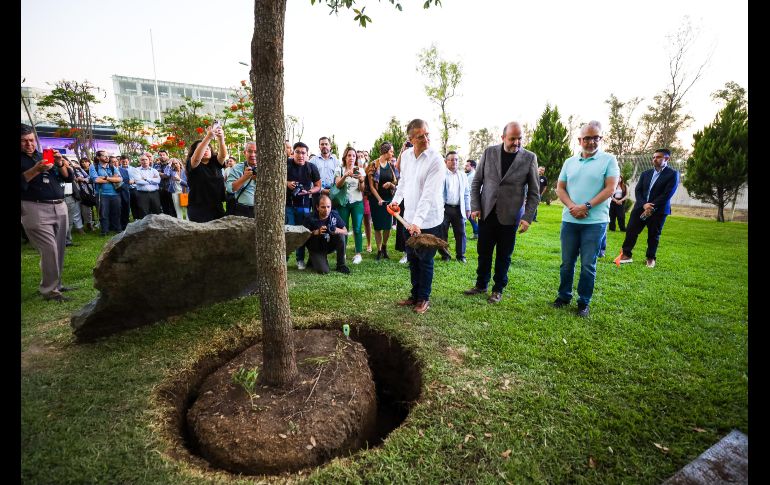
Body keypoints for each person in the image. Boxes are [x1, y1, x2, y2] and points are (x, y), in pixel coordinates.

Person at [463, 122, 540, 304]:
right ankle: (481, 284)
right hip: (487, 213)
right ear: (503, 137)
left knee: (504, 255)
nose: (517, 142)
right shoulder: (489, 152)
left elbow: (534, 192)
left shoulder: (530, 158)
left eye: (520, 138)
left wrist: (527, 217)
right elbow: (476, 183)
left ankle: (498, 289)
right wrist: (475, 206)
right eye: (512, 138)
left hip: (511, 215)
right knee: (484, 252)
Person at [552, 121, 619, 318]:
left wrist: (586, 206)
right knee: (566, 263)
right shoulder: (569, 162)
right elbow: (560, 188)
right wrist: (573, 206)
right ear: (580, 140)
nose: (591, 142)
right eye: (587, 138)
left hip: (595, 222)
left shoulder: (609, 160)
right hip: (570, 220)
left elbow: (610, 189)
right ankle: (563, 296)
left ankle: (583, 302)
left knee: (588, 264)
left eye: (595, 137)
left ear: (601, 138)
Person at [389, 119, 445, 314]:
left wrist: (418, 223)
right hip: (409, 218)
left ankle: (424, 298)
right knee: (412, 258)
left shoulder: (436, 160)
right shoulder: (405, 156)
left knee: (425, 260)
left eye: (427, 134)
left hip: (429, 220)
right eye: (421, 136)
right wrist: (396, 201)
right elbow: (404, 182)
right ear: (411, 138)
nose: (426, 139)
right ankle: (414, 295)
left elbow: (428, 196)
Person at [20, 124, 75, 302]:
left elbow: (67, 178)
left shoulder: (41, 155)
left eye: (31, 140)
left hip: (59, 205)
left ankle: (56, 284)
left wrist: (59, 164)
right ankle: (49, 290)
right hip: (34, 207)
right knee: (49, 248)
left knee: (59, 247)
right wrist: (36, 169)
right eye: (24, 141)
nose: (29, 144)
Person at [616, 149, 679, 268]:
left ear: (666, 159)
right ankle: (626, 255)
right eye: (654, 157)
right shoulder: (646, 173)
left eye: (658, 157)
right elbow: (638, 190)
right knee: (631, 230)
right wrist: (644, 204)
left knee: (653, 234)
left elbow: (667, 194)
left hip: (658, 210)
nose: (655, 159)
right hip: (640, 207)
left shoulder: (672, 174)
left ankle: (650, 258)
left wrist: (651, 206)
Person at [286, 141, 322, 269]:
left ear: (307, 155)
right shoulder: (286, 164)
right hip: (287, 204)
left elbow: (318, 185)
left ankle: (300, 259)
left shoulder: (311, 167)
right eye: (298, 152)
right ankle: (284, 259)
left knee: (301, 232)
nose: (300, 155)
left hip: (304, 204)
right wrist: (287, 183)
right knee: (288, 231)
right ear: (293, 153)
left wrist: (310, 191)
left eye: (303, 153)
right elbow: (277, 178)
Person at [186, 124, 228, 222]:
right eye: (202, 148)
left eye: (208, 148)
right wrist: (208, 137)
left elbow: (222, 156)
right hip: (198, 208)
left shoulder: (215, 162)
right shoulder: (192, 164)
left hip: (217, 206)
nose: (206, 150)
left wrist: (221, 138)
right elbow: (196, 159)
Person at [302, 194, 350, 274]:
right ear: (317, 207)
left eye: (328, 207)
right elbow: (302, 236)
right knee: (324, 271)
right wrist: (315, 232)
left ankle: (341, 265)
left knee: (341, 235)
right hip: (316, 247)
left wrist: (336, 230)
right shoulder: (309, 217)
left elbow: (345, 231)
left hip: (329, 245)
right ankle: (313, 259)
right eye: (323, 207)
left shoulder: (334, 215)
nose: (326, 210)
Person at [333, 147, 366, 264]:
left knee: (357, 228)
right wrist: (345, 175)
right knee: (344, 227)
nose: (351, 158)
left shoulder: (360, 170)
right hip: (343, 202)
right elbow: (337, 185)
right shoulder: (339, 169)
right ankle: (343, 252)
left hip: (357, 202)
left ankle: (358, 254)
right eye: (349, 155)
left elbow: (362, 189)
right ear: (345, 157)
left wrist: (361, 180)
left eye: (353, 156)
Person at [368, 142, 400, 261]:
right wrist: (379, 199)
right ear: (385, 152)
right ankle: (379, 250)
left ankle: (385, 247)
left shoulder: (392, 165)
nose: (392, 153)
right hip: (376, 199)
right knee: (377, 226)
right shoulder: (373, 165)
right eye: (391, 151)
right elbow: (371, 186)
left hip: (389, 199)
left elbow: (396, 181)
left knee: (387, 225)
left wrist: (391, 184)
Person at [438, 151, 470, 263]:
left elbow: (466, 193)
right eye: (451, 159)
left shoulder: (463, 175)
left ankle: (461, 256)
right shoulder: (441, 175)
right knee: (442, 232)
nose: (454, 162)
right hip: (444, 208)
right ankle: (445, 255)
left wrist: (468, 208)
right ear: (446, 162)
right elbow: (438, 193)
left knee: (461, 232)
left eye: (456, 159)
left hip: (458, 209)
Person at [89, 150, 123, 236]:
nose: (107, 157)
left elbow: (120, 179)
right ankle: (104, 230)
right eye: (104, 156)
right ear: (98, 157)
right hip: (101, 194)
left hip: (115, 193)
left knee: (117, 212)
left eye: (107, 156)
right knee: (103, 213)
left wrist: (105, 178)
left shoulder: (112, 167)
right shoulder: (94, 167)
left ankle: (117, 229)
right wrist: (112, 179)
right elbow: (96, 180)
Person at [226, 142, 259, 218]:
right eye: (250, 151)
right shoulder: (237, 168)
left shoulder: (268, 169)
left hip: (264, 209)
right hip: (243, 210)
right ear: (245, 153)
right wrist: (244, 177)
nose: (253, 155)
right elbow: (230, 189)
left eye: (256, 152)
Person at [309, 136, 339, 207]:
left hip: (332, 193)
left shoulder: (336, 161)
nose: (324, 146)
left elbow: (338, 177)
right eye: (322, 144)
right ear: (319, 146)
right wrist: (321, 190)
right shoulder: (313, 160)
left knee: (332, 215)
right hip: (317, 193)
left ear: (330, 146)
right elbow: (310, 178)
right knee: (316, 216)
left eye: (326, 144)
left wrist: (333, 191)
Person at [134, 153, 162, 217]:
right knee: (143, 212)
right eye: (142, 160)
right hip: (142, 194)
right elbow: (138, 181)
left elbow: (158, 181)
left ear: (149, 160)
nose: (144, 161)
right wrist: (152, 180)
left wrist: (146, 179)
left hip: (154, 194)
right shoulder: (136, 170)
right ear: (140, 161)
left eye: (146, 159)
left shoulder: (154, 170)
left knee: (157, 211)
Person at [154, 149, 177, 217]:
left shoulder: (172, 163)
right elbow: (155, 174)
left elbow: (168, 175)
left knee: (173, 207)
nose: (162, 156)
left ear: (167, 155)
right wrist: (162, 174)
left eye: (164, 155)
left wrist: (159, 173)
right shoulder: (156, 165)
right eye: (160, 155)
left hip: (171, 188)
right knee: (165, 207)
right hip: (161, 189)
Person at [464, 159, 478, 239]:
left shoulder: (473, 176)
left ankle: (463, 234)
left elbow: (469, 189)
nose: (465, 167)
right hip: (469, 199)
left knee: (468, 216)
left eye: (467, 166)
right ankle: (476, 232)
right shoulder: (469, 175)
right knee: (468, 217)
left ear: (472, 166)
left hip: (470, 200)